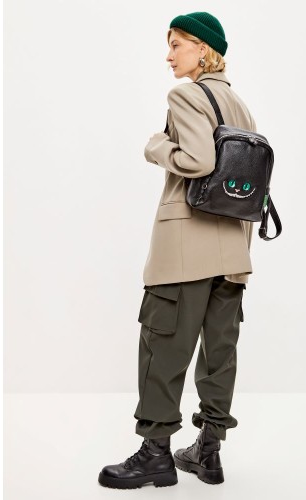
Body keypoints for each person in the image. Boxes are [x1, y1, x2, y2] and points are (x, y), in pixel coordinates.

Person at [98, 11, 257, 490]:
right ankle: (208, 451)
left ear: (203, 49)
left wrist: (156, 147)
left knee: (162, 348)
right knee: (219, 353)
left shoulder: (185, 95)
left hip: (186, 249)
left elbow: (198, 160)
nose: (168, 56)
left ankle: (155, 455)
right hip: (233, 252)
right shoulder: (239, 104)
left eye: (177, 44)